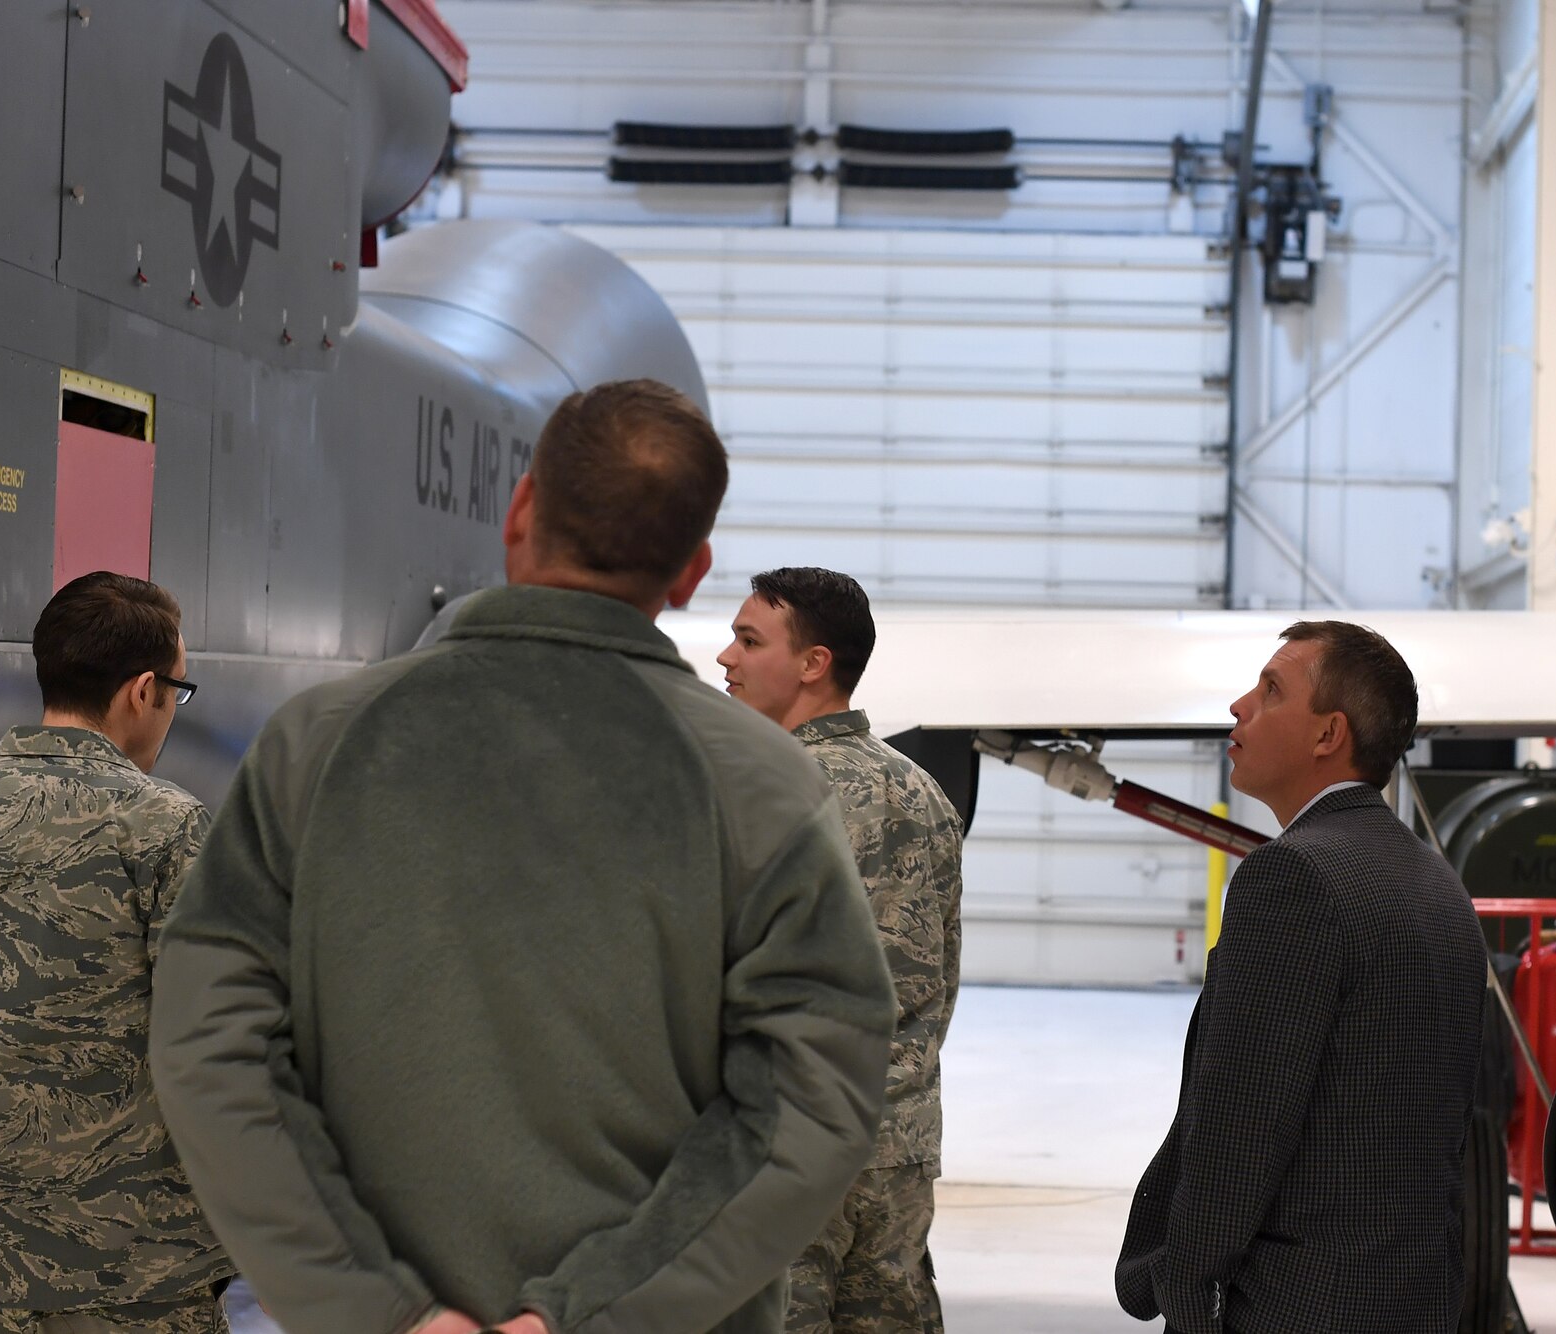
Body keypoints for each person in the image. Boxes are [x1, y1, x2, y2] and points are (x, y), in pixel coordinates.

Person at [148, 381, 897, 1334]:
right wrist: (586, 1313)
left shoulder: (317, 745)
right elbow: (812, 1104)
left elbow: (210, 1046)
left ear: (520, 512)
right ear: (692, 570)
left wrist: (374, 1307)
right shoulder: (765, 787)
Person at [1116, 621, 1484, 1334]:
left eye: (1271, 690)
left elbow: (1241, 1124)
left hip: (1294, 1303)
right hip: (1413, 1296)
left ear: (1327, 736)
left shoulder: (1293, 878)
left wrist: (1188, 1294)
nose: (1238, 706)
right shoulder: (1436, 883)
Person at [0, 572, 231, 1334]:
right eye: (176, 693)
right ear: (143, 690)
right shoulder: (168, 829)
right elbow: (218, 1051)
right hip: (131, 1288)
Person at [717, 568, 963, 1334]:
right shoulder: (922, 791)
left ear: (813, 663)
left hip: (789, 1153)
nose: (726, 657)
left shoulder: (763, 790)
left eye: (749, 639)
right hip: (899, 1155)